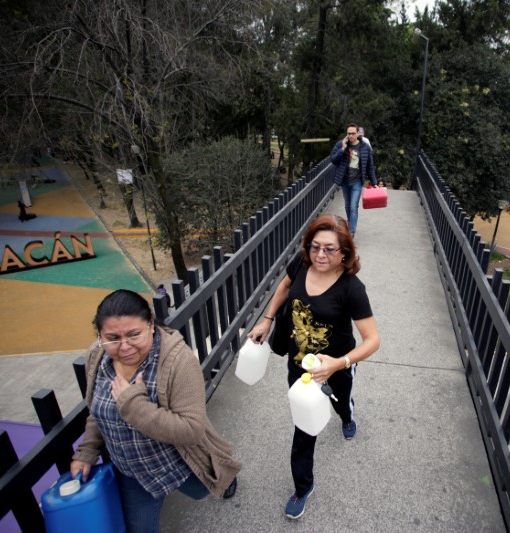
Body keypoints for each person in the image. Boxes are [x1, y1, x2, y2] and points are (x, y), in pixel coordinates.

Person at [71, 289, 241, 532]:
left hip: (178, 462)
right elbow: (97, 412)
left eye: (133, 335)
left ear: (151, 324)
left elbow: (191, 430)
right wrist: (87, 451)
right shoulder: (97, 357)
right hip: (132, 471)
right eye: (112, 338)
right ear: (100, 335)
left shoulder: (178, 361)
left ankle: (227, 478)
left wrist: (133, 405)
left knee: (206, 488)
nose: (125, 347)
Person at [247, 214, 380, 520]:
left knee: (341, 404)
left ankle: (347, 415)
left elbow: (373, 340)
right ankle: (303, 486)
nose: (320, 255)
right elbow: (283, 288)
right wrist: (267, 320)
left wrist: (340, 363)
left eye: (330, 249)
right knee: (304, 426)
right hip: (300, 367)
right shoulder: (301, 264)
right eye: (315, 247)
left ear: (344, 253)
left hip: (337, 366)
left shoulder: (351, 289)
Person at [329, 123, 379, 237]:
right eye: (348, 133)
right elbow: (333, 160)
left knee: (353, 206)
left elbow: (370, 166)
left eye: (353, 133)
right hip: (345, 181)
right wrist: (342, 149)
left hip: (357, 181)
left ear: (358, 134)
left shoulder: (365, 147)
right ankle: (350, 223)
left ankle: (351, 231)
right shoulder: (341, 144)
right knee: (347, 205)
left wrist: (374, 182)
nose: (350, 136)